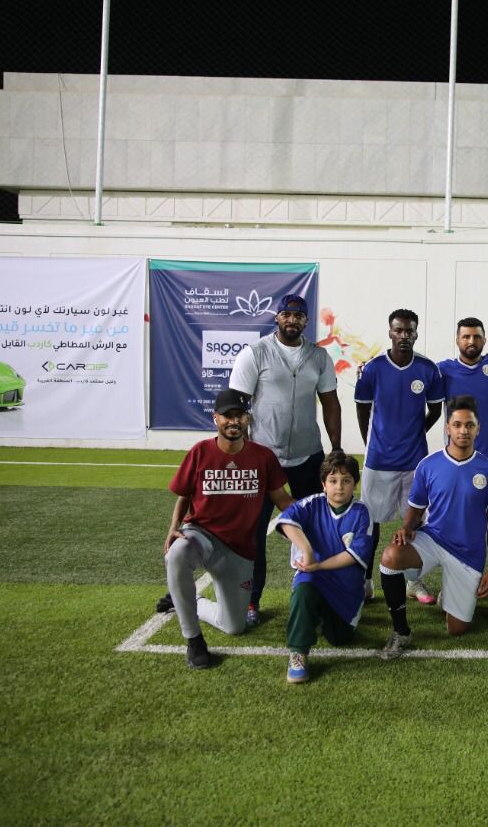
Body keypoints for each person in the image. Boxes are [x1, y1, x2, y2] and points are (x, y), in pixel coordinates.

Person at [157, 389, 292, 669]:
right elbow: (184, 495)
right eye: (227, 415)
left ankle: (187, 599)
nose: (234, 421)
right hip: (201, 536)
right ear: (215, 418)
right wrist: (173, 527)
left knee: (234, 627)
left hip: (239, 550)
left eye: (239, 415)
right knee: (176, 554)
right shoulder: (200, 452)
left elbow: (282, 499)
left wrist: (317, 516)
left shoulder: (263, 457)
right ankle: (194, 640)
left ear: (247, 419)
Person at [229, 293, 342, 626]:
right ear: (276, 318)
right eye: (286, 315)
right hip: (264, 457)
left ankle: (315, 593)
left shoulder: (318, 356)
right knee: (253, 534)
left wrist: (336, 448)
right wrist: (241, 451)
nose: (292, 320)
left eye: (299, 316)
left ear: (306, 321)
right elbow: (237, 406)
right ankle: (251, 601)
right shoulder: (255, 353)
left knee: (317, 527)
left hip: (309, 456)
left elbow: (331, 403)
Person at [377, 396, 488, 659]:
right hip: (433, 539)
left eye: (469, 425)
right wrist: (406, 527)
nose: (463, 431)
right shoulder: (429, 465)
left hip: (468, 554)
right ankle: (401, 631)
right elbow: (416, 509)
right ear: (447, 427)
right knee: (391, 556)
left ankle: (451, 592)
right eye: (457, 425)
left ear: (478, 429)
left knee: (457, 629)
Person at [354, 308, 445, 605]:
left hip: (415, 461)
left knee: (415, 522)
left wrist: (418, 431)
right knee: (370, 524)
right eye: (399, 330)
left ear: (416, 333)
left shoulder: (428, 369)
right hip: (379, 461)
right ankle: (364, 582)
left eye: (409, 331)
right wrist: (369, 441)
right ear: (390, 332)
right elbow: (362, 407)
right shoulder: (373, 369)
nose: (404, 335)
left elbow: (436, 409)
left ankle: (412, 581)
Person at [274, 451, 372, 683]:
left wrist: (318, 565)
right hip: (314, 578)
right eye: (333, 480)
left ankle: (315, 615)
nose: (339, 487)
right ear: (323, 484)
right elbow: (286, 521)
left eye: (346, 480)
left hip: (345, 588)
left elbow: (353, 556)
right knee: (304, 588)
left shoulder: (361, 513)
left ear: (355, 484)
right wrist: (307, 551)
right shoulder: (312, 503)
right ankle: (298, 653)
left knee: (340, 639)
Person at [437, 317, 488, 535]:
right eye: (466, 337)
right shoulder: (443, 369)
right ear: (457, 340)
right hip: (457, 456)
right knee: (458, 512)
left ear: (484, 340)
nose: (471, 341)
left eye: (476, 337)